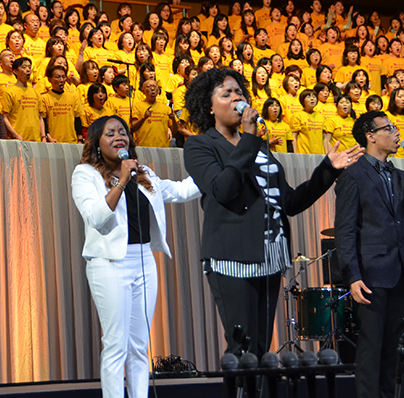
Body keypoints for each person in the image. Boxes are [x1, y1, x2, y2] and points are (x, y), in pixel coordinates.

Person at [182, 68, 362, 356]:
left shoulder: (261, 149)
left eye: (239, 92)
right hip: (232, 256)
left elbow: (288, 202)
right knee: (242, 345)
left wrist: (327, 170)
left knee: (262, 347)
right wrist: (249, 140)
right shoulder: (200, 145)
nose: (236, 97)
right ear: (209, 106)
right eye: (226, 94)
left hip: (268, 255)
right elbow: (223, 190)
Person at [70, 115, 200, 398]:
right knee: (116, 344)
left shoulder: (144, 174)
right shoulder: (85, 174)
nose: (119, 137)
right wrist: (121, 182)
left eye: (122, 132)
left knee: (140, 346)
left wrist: (212, 172)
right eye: (110, 133)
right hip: (109, 264)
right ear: (96, 142)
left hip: (143, 261)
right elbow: (96, 218)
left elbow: (179, 191)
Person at [334, 111, 404, 398]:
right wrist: (352, 275)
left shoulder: (401, 176)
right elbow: (344, 231)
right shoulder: (353, 175)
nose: (396, 133)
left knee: (392, 346)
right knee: (370, 346)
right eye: (389, 128)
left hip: (400, 272)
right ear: (371, 136)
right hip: (370, 274)